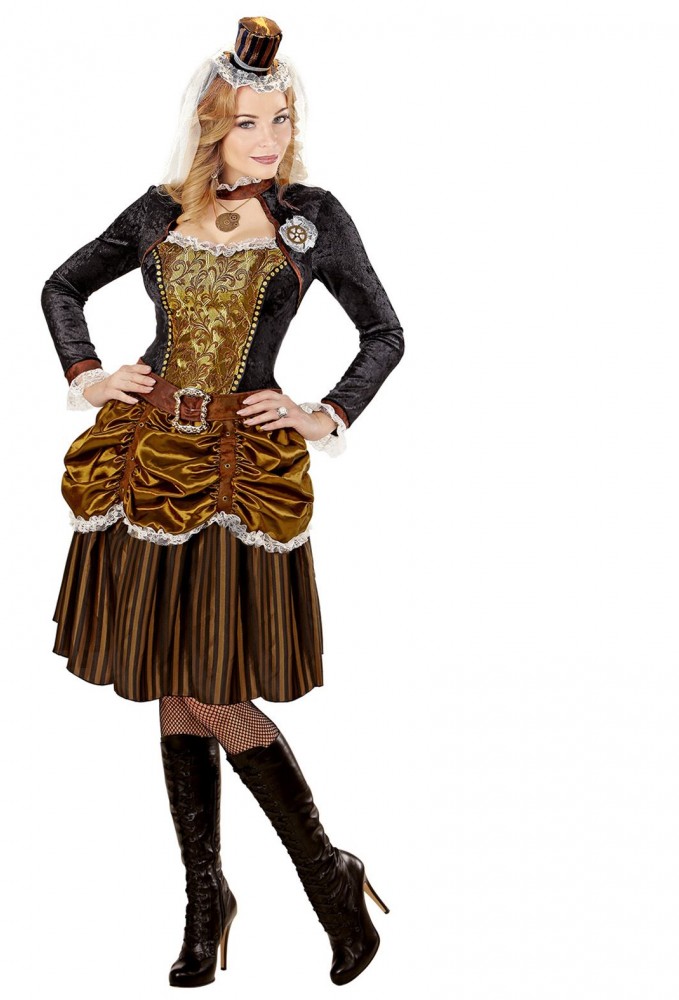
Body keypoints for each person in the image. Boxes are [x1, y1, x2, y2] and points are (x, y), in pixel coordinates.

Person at [40, 16, 404, 988]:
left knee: (210, 680)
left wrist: (324, 413)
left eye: (281, 120)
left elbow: (384, 332)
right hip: (149, 460)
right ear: (212, 126)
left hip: (240, 474)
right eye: (249, 122)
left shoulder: (313, 218)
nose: (270, 139)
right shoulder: (159, 212)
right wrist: (88, 374)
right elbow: (63, 286)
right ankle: (206, 901)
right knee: (175, 675)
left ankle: (326, 874)